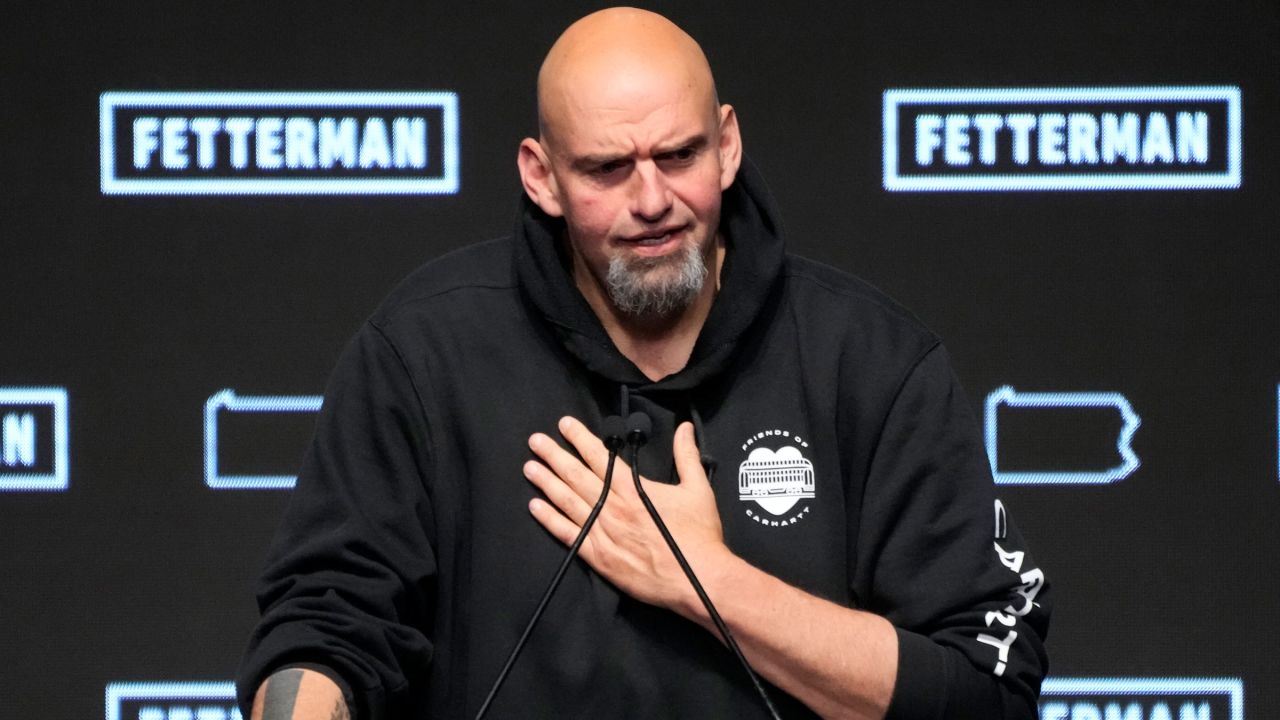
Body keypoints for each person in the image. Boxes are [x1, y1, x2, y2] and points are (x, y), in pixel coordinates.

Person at [237, 7, 1051, 720]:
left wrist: (711, 582)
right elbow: (326, 623)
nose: (653, 199)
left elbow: (987, 690)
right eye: (607, 169)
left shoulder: (872, 361)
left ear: (727, 146)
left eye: (680, 155)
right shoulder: (423, 353)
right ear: (541, 176)